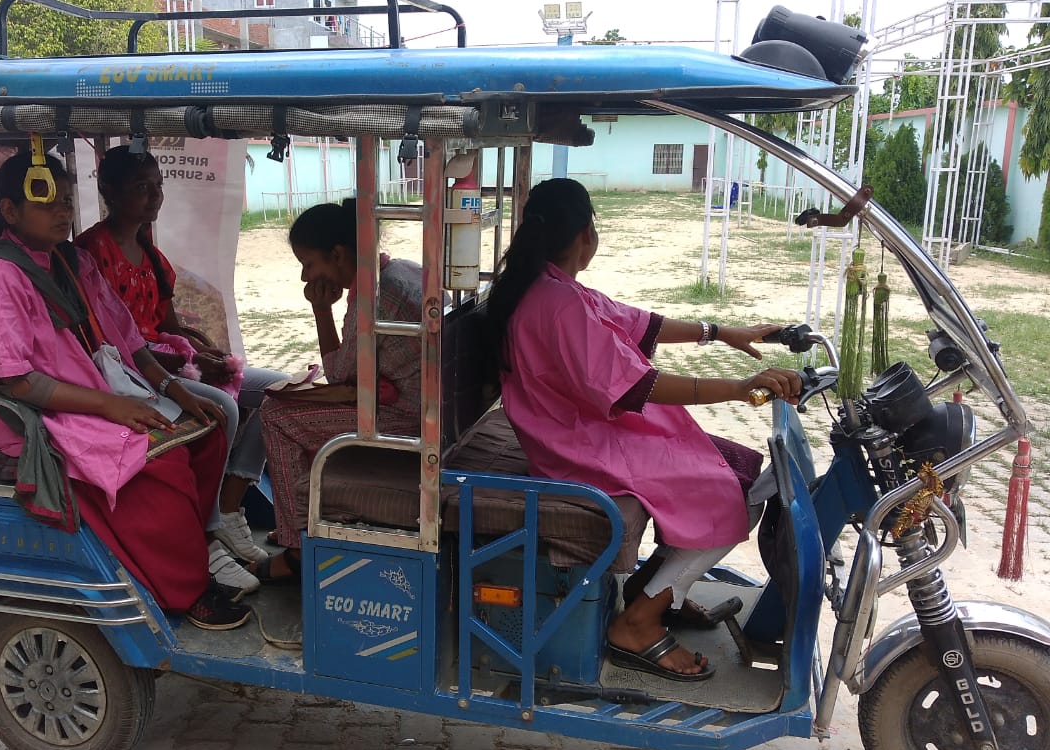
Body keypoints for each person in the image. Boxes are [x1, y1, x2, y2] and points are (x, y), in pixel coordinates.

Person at [485, 178, 802, 681]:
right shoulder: (557, 303)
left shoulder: (552, 287)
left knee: (740, 469)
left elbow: (639, 323)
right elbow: (639, 387)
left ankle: (653, 591)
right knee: (731, 495)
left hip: (581, 431)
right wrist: (739, 388)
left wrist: (721, 333)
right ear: (587, 234)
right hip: (576, 447)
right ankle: (637, 622)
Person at [0, 150, 250, 630]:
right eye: (46, 201)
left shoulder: (72, 260)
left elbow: (128, 339)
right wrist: (111, 406)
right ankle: (187, 588)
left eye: (66, 200)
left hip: (96, 394)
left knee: (208, 429)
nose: (62, 211)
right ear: (9, 210)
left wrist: (176, 390)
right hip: (38, 414)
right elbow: (15, 380)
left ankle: (196, 547)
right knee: (165, 463)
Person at [76, 145, 286, 595]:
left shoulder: (151, 254)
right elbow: (110, 342)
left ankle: (230, 506)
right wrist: (181, 361)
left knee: (278, 391)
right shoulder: (92, 254)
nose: (155, 196)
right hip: (129, 374)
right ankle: (207, 533)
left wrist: (201, 348)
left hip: (166, 360)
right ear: (109, 191)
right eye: (141, 187)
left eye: (158, 186)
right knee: (225, 410)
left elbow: (167, 326)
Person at [257, 198, 423, 582]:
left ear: (337, 254)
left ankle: (296, 549)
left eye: (308, 264)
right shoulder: (400, 271)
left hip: (407, 417)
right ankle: (301, 520)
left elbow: (338, 374)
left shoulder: (372, 296)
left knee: (275, 416)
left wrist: (321, 310)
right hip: (424, 405)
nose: (305, 278)